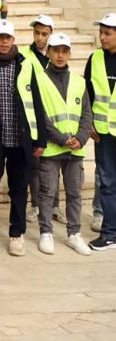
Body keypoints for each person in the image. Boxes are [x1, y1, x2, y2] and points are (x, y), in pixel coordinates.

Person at [0, 19, 44, 256]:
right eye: (0, 37)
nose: (4, 42)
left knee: (19, 189)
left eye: (8, 38)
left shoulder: (25, 65)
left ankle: (17, 233)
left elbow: (37, 101)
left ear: (13, 39)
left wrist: (40, 139)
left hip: (20, 138)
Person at [33, 32, 93, 256]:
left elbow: (86, 114)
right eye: (56, 50)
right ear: (48, 52)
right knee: (47, 192)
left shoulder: (79, 81)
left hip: (75, 149)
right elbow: (40, 116)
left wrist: (81, 138)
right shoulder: (39, 80)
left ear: (69, 54)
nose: (60, 55)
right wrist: (61, 138)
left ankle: (74, 233)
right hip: (51, 147)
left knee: (75, 193)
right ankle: (46, 232)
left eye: (64, 51)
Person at [88, 13, 116, 250]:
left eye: (107, 33)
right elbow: (87, 94)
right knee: (107, 183)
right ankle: (110, 233)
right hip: (103, 133)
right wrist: (88, 123)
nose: (102, 37)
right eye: (101, 32)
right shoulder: (95, 58)